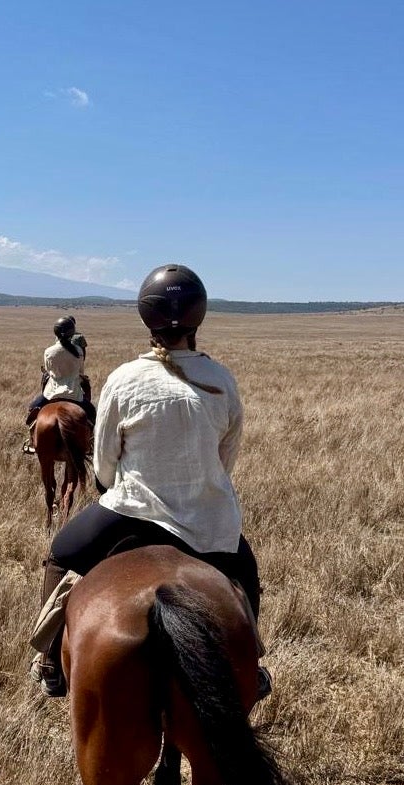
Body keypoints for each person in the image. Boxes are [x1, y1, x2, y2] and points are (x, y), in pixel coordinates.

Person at [29, 264, 270, 699]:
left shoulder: (124, 378)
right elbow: (226, 457)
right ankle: (252, 663)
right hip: (207, 519)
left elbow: (103, 464)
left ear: (147, 316)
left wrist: (110, 486)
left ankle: (48, 660)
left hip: (133, 512)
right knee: (246, 573)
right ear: (199, 316)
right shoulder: (221, 379)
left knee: (62, 552)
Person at [22, 315, 96, 454]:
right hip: (74, 393)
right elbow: (80, 371)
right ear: (72, 332)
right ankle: (91, 442)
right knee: (92, 413)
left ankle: (31, 441)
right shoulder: (78, 351)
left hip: (52, 393)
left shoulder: (49, 351)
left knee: (32, 410)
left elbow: (49, 371)